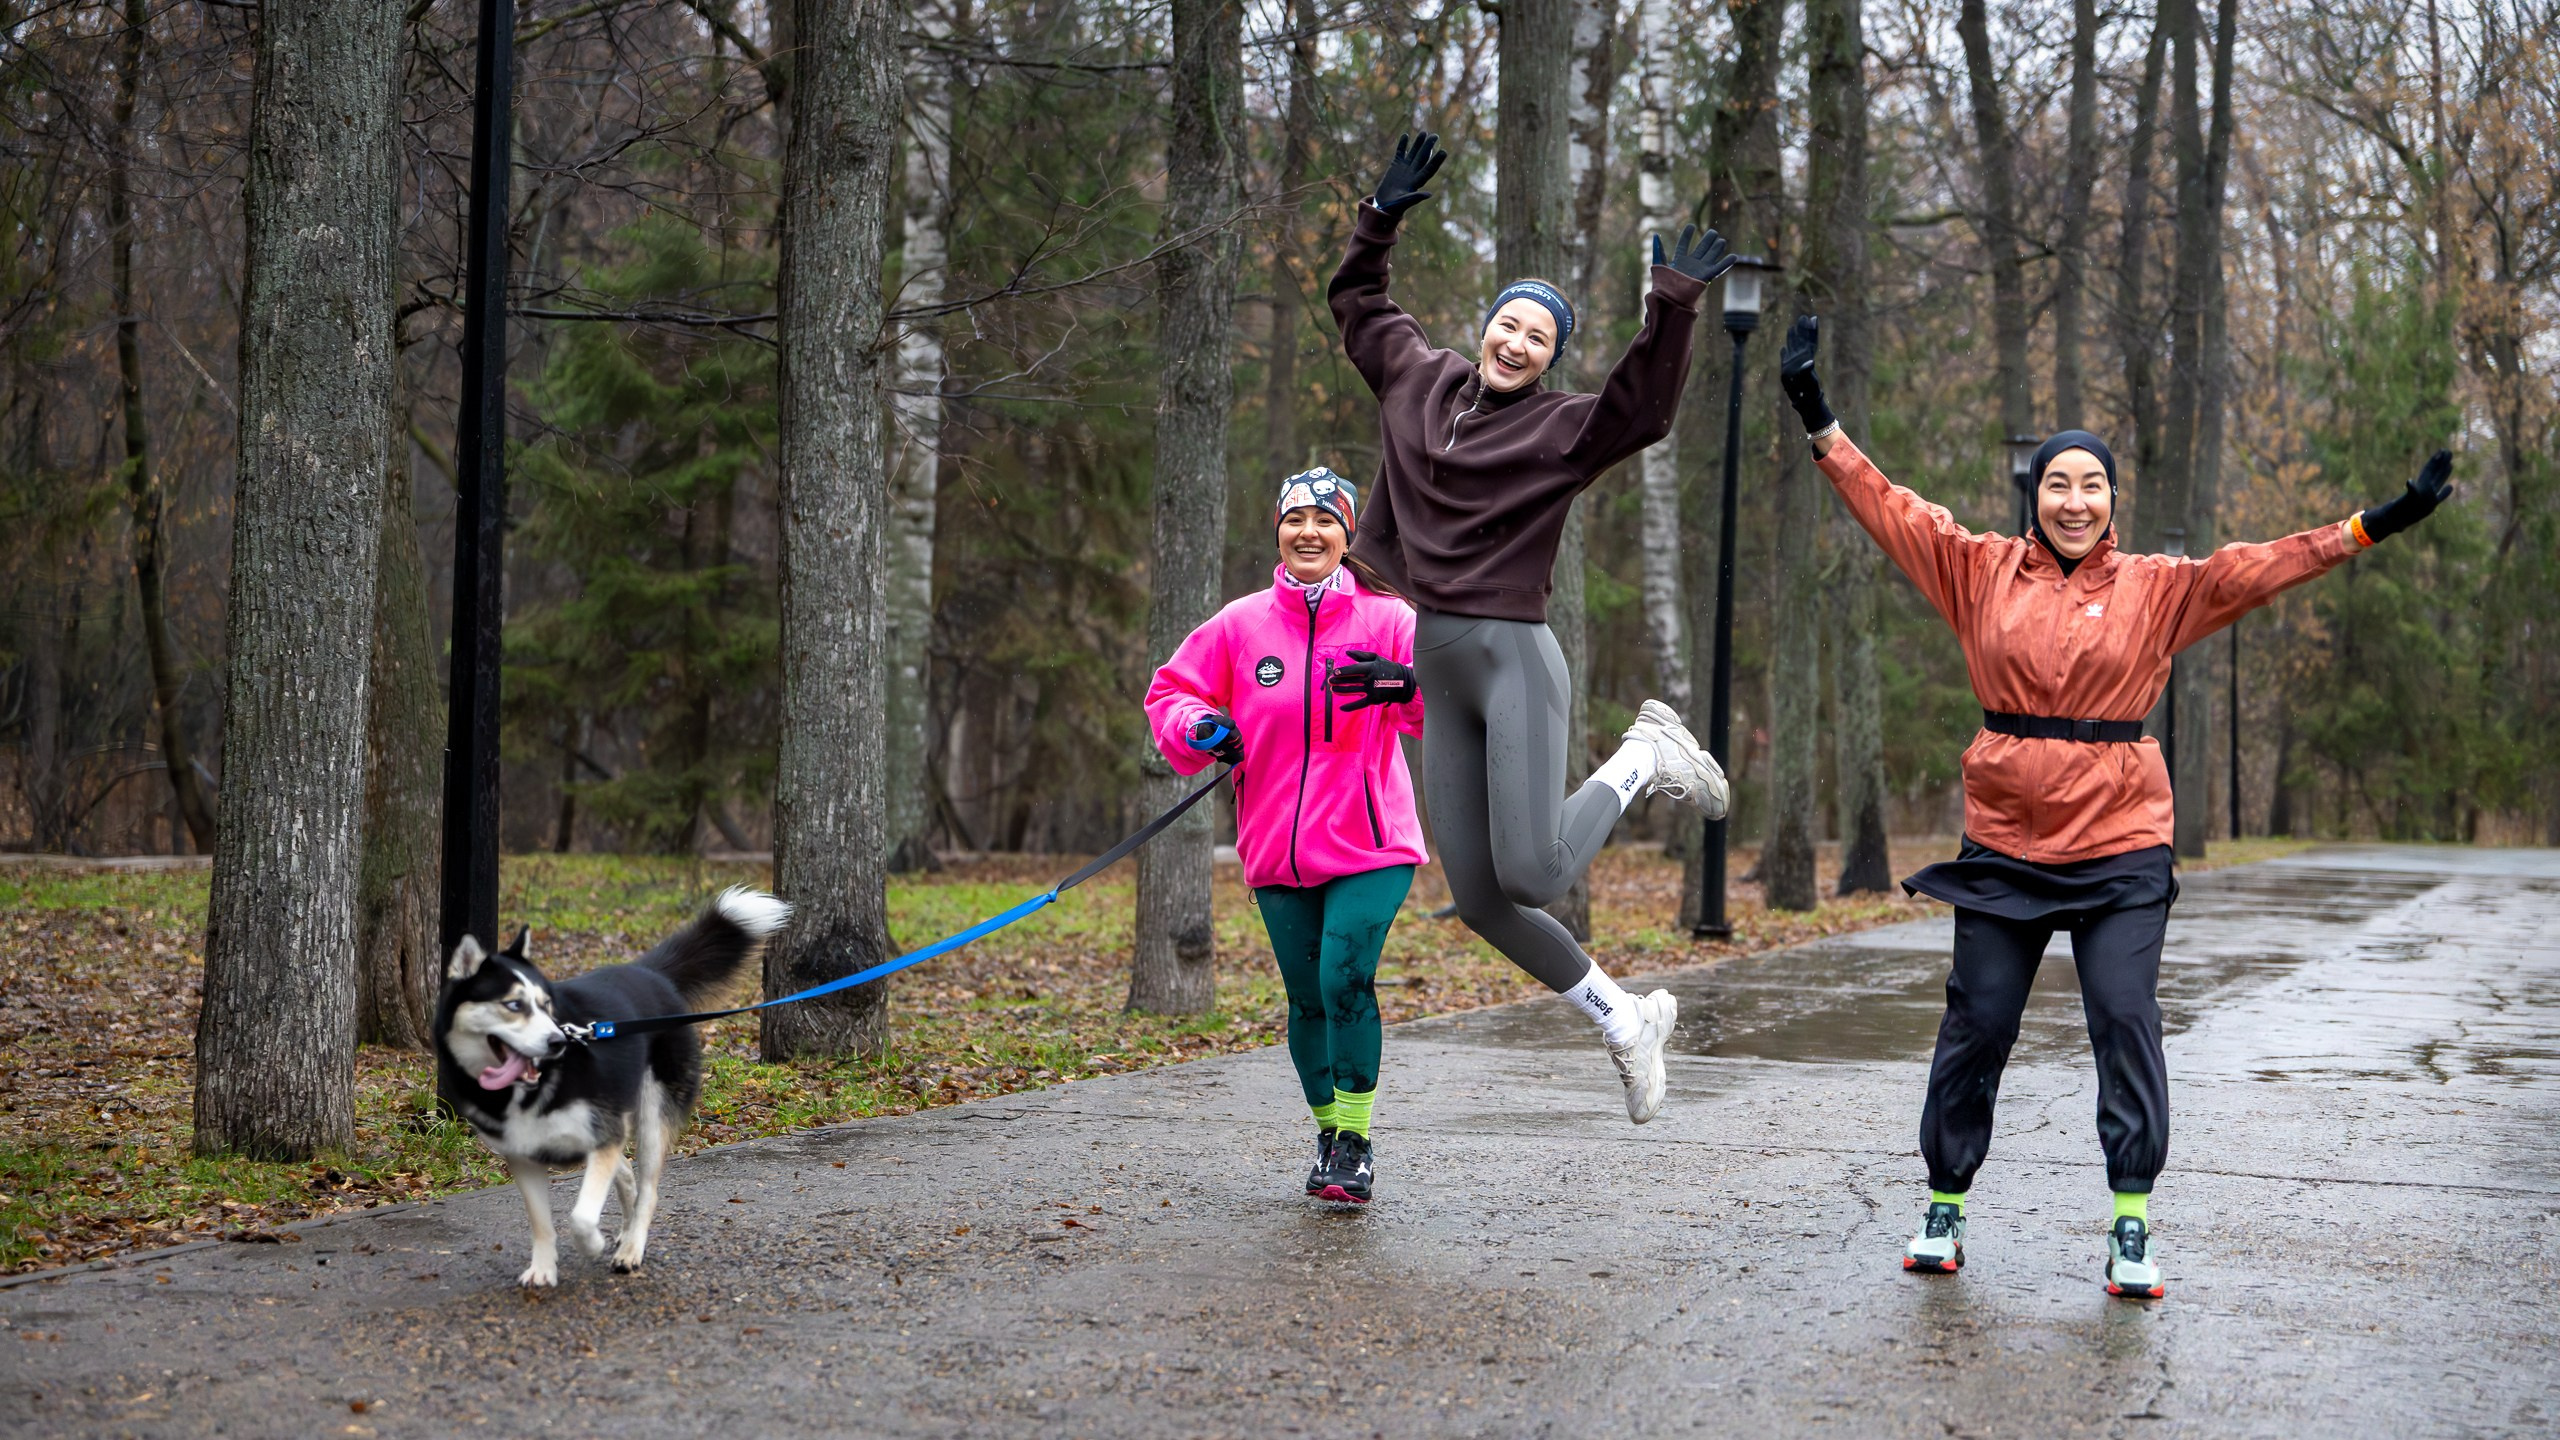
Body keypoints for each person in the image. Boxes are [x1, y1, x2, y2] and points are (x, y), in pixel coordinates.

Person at [1776, 312, 2457, 1299]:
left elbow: (2261, 564)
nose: (2074, 499)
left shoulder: (2156, 589)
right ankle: (1943, 1203)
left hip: (2121, 844)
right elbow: (1890, 509)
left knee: (2125, 1019)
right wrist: (1816, 414)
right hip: (2005, 839)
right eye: (2057, 482)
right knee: (1977, 1022)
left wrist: (2375, 522)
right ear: (2033, 493)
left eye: (2091, 484)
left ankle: (2130, 1221)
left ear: (2111, 500)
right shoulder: (1975, 573)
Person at [1327, 131, 1734, 1127]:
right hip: (1438, 656)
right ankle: (1624, 1018)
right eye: (1508, 325)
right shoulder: (1417, 381)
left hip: (1512, 657)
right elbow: (1359, 309)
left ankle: (1642, 755)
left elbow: (1640, 410)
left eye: (1538, 339)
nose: (1516, 344)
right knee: (1480, 898)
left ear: (1550, 360)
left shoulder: (1559, 431)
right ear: (1486, 327)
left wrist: (1671, 306)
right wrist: (1378, 221)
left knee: (1538, 868)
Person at [1145, 468, 1430, 1204]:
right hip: (1276, 845)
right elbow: (1171, 691)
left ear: (1348, 535)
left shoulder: (1391, 618)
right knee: (1305, 999)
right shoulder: (1241, 624)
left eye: (1326, 519)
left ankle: (1359, 1145)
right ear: (1278, 528)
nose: (1309, 531)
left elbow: (1454, 703)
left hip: (1371, 841)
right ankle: (1330, 1135)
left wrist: (1407, 685)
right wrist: (1198, 725)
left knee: (1344, 979)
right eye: (1295, 517)